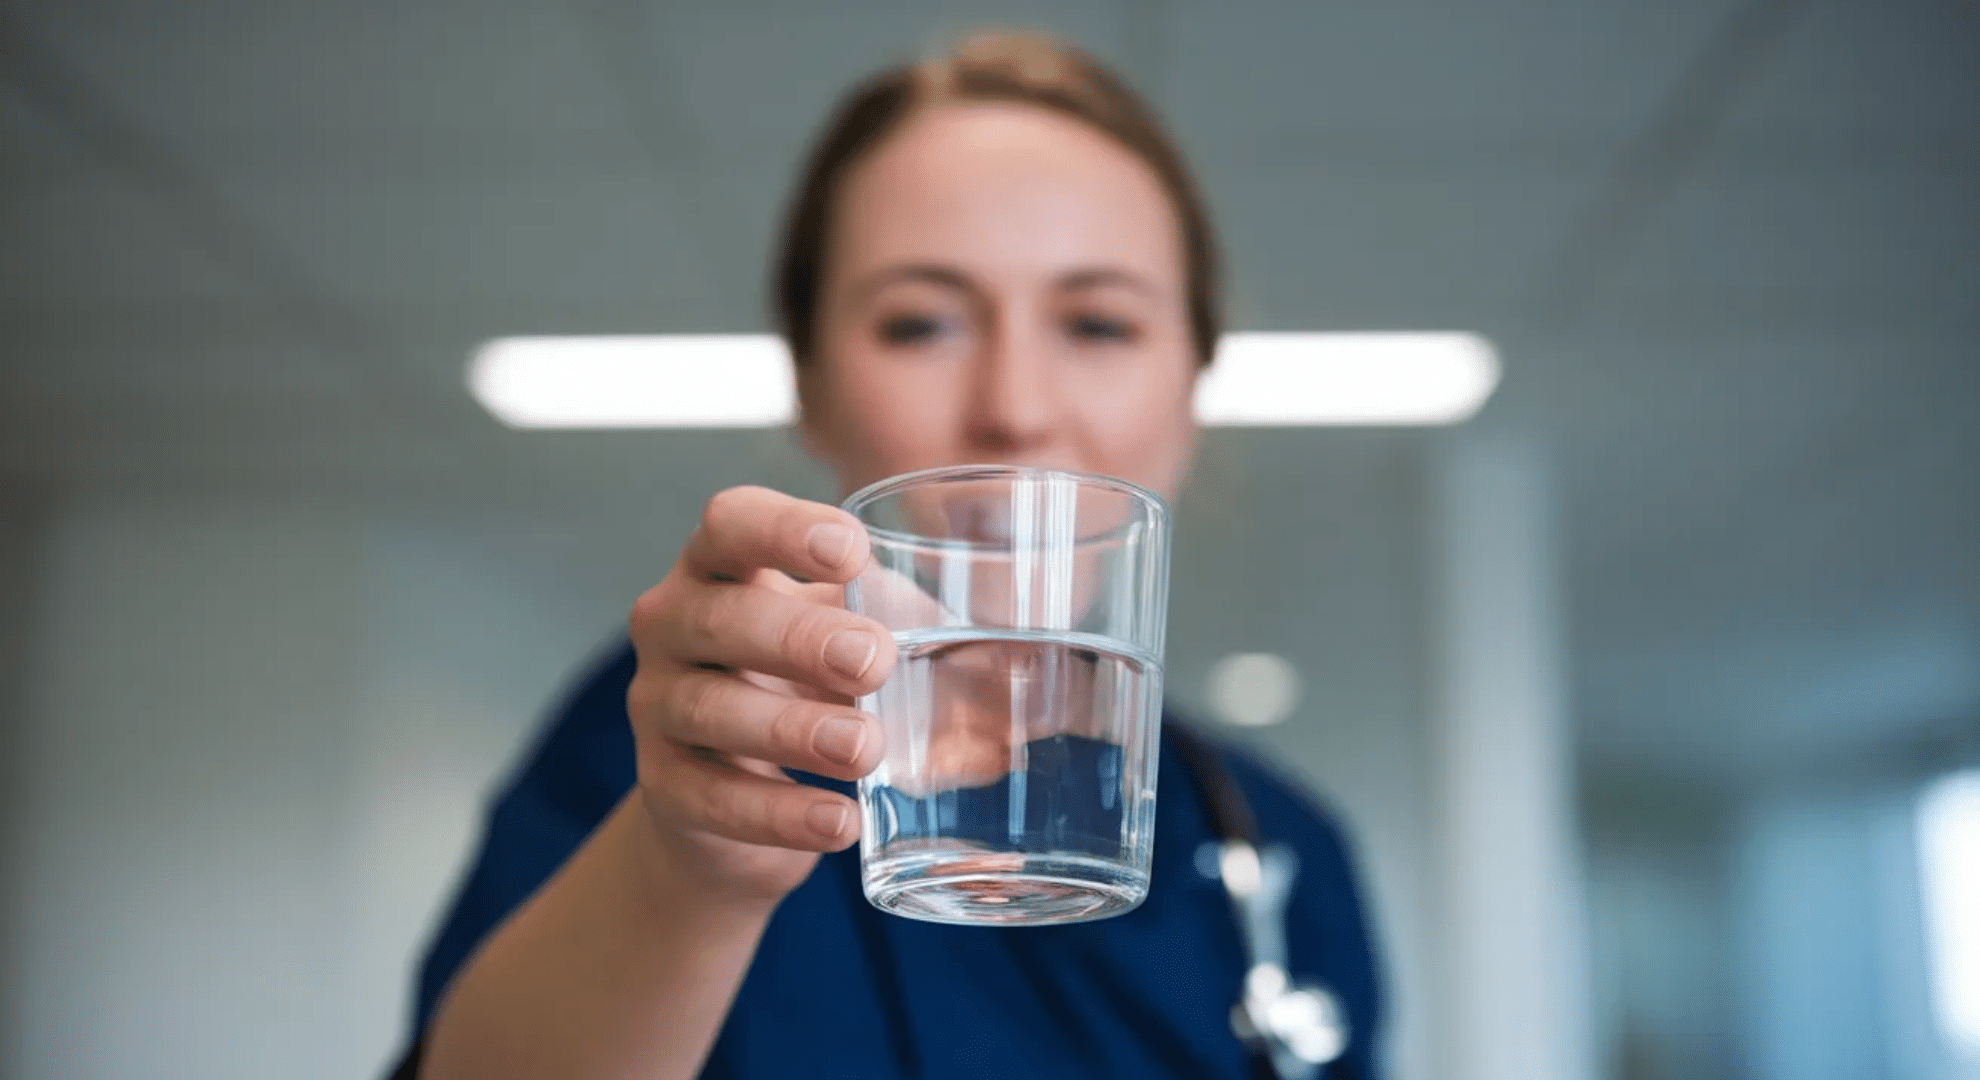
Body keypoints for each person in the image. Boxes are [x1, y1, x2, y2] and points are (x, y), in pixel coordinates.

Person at [394, 30, 1383, 1080]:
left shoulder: (1284, 852)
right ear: (809, 387)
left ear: (1193, 381)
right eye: (919, 324)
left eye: (1098, 324)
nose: (1015, 408)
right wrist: (685, 870)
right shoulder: (676, 749)